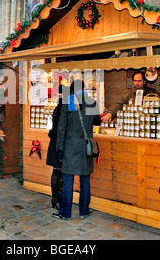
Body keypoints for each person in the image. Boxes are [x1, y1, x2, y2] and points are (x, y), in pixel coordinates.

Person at [53, 80, 101, 220]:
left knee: (68, 179)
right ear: (85, 89)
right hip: (86, 146)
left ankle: (65, 213)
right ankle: (83, 212)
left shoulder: (68, 102)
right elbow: (97, 121)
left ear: (72, 90)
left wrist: (59, 147)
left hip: (70, 145)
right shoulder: (92, 102)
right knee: (85, 179)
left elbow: (61, 127)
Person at [46, 84, 64, 210]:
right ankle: (56, 198)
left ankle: (55, 198)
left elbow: (53, 129)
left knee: (57, 171)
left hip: (55, 142)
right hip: (60, 143)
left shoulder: (58, 107)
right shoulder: (64, 108)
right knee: (58, 171)